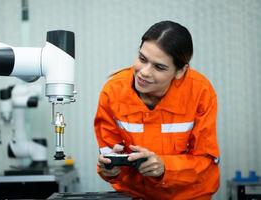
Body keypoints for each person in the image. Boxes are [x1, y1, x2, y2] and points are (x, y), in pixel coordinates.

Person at [94, 21, 220, 199]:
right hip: (136, 195)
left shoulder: (200, 92)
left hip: (189, 195)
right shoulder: (113, 91)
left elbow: (205, 162)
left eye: (159, 67)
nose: (144, 72)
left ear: (180, 71)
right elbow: (108, 156)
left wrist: (165, 167)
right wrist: (110, 170)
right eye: (142, 59)